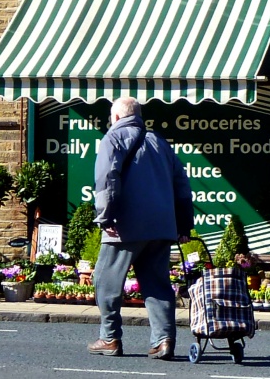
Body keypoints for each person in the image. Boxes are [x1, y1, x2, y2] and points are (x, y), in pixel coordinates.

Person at [87, 96, 194, 360]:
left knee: (106, 282)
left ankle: (109, 338)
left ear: (115, 117)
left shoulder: (113, 138)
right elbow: (182, 183)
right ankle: (163, 341)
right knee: (157, 285)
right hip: (161, 227)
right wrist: (183, 224)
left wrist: (106, 217)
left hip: (126, 225)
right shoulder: (159, 141)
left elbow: (107, 179)